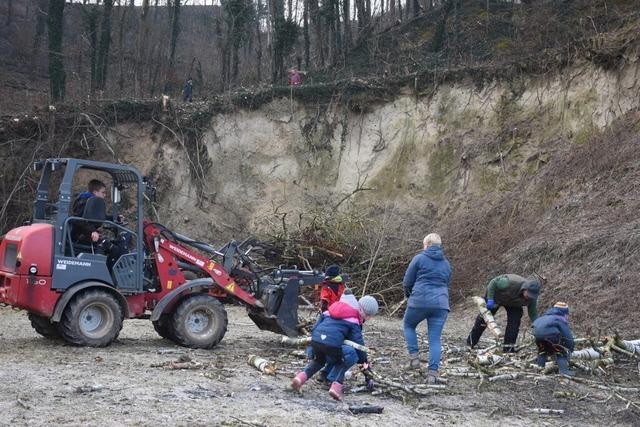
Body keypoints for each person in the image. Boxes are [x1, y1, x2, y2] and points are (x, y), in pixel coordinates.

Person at [291, 294, 379, 401]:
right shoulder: (354, 320)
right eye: (368, 315)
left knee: (319, 360)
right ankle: (335, 385)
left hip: (316, 342)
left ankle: (300, 378)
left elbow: (315, 328)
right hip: (332, 346)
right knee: (351, 354)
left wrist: (312, 348)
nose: (368, 318)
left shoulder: (331, 310)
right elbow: (359, 346)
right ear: (360, 308)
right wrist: (364, 362)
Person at [402, 233, 452, 384]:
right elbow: (447, 283)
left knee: (408, 325)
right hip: (441, 304)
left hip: (420, 300)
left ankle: (414, 358)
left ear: (427, 244)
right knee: (435, 339)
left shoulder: (419, 258)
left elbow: (407, 281)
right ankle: (432, 373)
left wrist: (409, 295)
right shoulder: (446, 264)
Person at [467, 274, 540, 352]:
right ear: (525, 289)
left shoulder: (532, 298)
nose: (529, 297)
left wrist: (538, 325)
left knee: (514, 324)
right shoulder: (509, 283)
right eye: (528, 295)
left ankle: (508, 349)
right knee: (484, 320)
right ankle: (471, 342)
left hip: (514, 304)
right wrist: (490, 299)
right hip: (497, 297)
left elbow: (533, 313)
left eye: (531, 296)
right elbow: (493, 283)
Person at [71, 179, 128, 269]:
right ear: (95, 192)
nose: (104, 195)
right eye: (103, 192)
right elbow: (78, 220)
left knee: (112, 244)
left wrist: (115, 218)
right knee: (114, 249)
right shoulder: (84, 201)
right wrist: (92, 231)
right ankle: (104, 272)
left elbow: (99, 217)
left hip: (88, 233)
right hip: (81, 235)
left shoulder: (92, 202)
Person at [532, 302, 575, 377]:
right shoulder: (559, 319)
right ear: (564, 313)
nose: (568, 317)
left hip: (537, 335)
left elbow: (534, 324)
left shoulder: (544, 317)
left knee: (542, 350)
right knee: (560, 351)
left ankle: (540, 368)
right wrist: (570, 348)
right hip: (550, 336)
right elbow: (567, 335)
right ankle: (564, 371)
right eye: (567, 315)